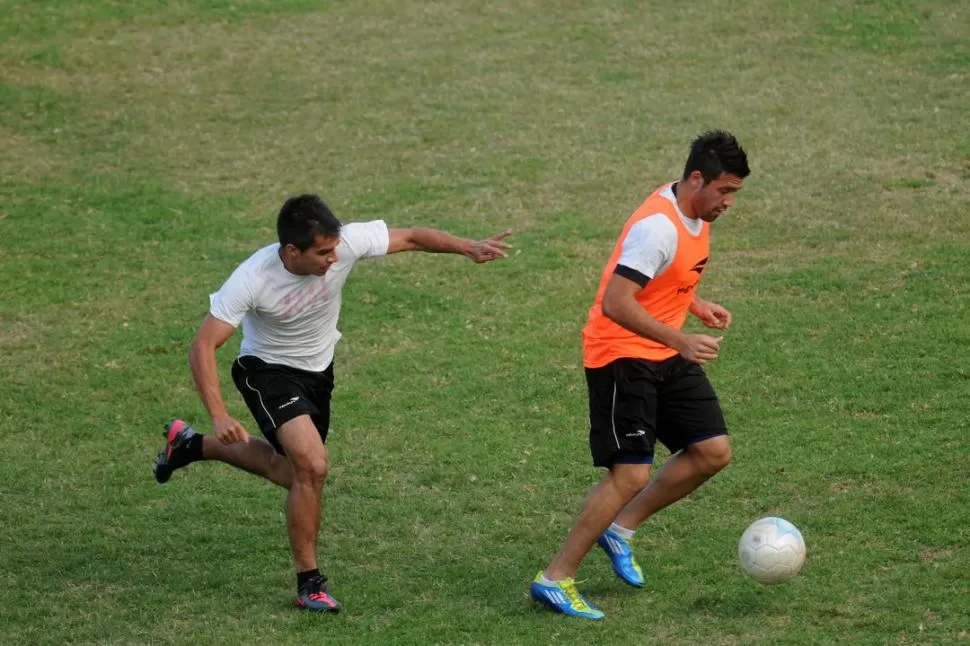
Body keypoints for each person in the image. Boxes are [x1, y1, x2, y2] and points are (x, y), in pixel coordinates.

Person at [153, 194, 512, 613]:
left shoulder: (344, 244)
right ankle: (309, 584)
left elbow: (412, 237)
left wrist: (467, 247)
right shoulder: (252, 278)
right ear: (292, 251)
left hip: (318, 373)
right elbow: (202, 346)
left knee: (289, 472)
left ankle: (191, 445)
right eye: (322, 253)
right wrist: (218, 412)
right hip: (266, 371)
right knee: (313, 466)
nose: (333, 259)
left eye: (334, 248)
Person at [530, 130, 750, 619]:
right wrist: (681, 340)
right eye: (725, 191)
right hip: (622, 356)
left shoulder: (693, 213)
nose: (729, 203)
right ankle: (555, 578)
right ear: (697, 178)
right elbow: (615, 302)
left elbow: (660, 276)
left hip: (662, 348)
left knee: (712, 452)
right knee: (629, 473)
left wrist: (694, 304)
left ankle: (620, 528)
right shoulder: (659, 226)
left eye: (734, 192)